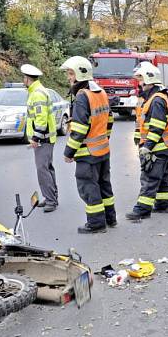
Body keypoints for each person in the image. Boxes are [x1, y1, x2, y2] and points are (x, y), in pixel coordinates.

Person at [61, 56, 116, 233]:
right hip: (103, 150)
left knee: (88, 187)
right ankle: (110, 218)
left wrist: (69, 152)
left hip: (88, 153)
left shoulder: (82, 97)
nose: (69, 77)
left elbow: (78, 130)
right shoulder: (100, 93)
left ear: (79, 74)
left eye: (70, 73)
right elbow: (110, 120)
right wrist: (104, 139)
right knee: (104, 185)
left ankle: (96, 224)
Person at [126, 62, 168, 220]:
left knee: (150, 177)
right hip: (162, 147)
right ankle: (163, 205)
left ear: (149, 80)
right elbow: (144, 122)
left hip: (156, 148)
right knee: (162, 177)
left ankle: (142, 210)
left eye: (140, 79)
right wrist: (137, 136)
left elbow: (157, 127)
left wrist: (147, 147)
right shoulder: (152, 98)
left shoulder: (157, 100)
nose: (139, 83)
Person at [22, 64, 59, 213]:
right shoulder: (38, 91)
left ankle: (51, 200)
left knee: (42, 169)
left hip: (43, 139)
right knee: (48, 168)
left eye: (24, 78)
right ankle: (51, 197)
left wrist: (36, 138)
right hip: (46, 137)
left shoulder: (37, 93)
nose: (23, 80)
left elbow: (41, 118)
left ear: (27, 79)